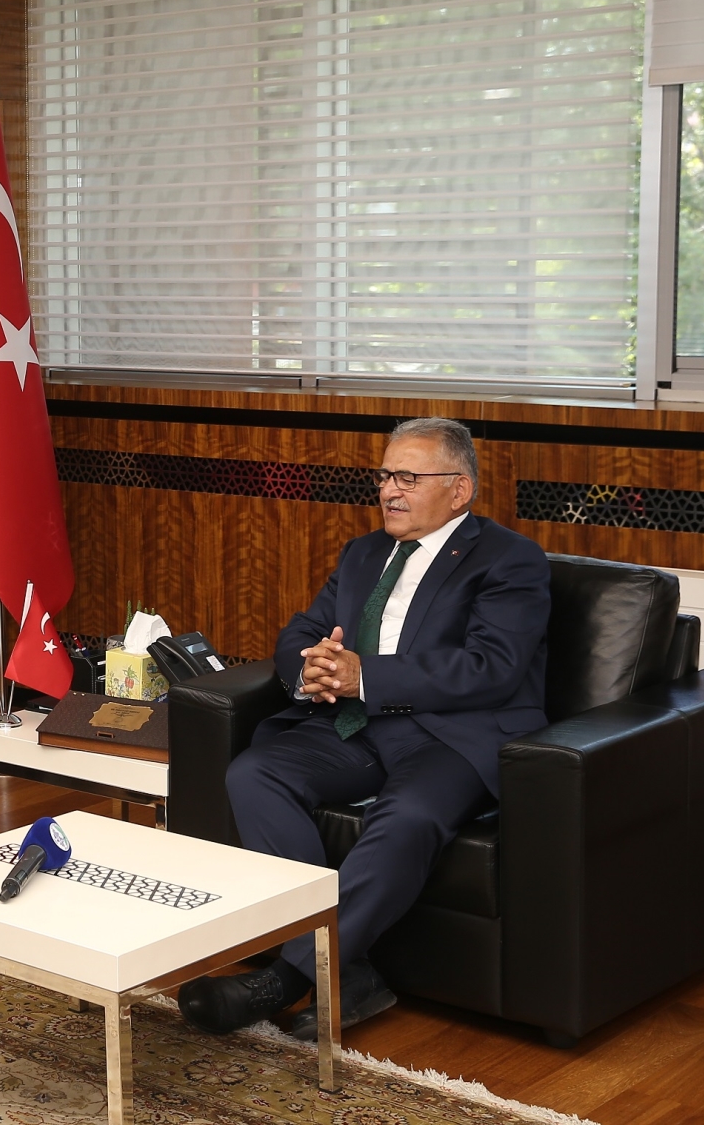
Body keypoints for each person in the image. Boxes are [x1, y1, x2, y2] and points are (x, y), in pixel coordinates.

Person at [178, 417, 549, 1039]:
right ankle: (351, 975)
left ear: (459, 489)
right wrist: (311, 667)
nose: (389, 490)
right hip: (356, 724)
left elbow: (492, 667)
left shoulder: (509, 559)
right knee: (256, 773)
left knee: (408, 816)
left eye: (408, 478)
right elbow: (305, 628)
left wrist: (365, 676)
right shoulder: (365, 552)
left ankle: (286, 979)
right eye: (384, 476)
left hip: (450, 735)